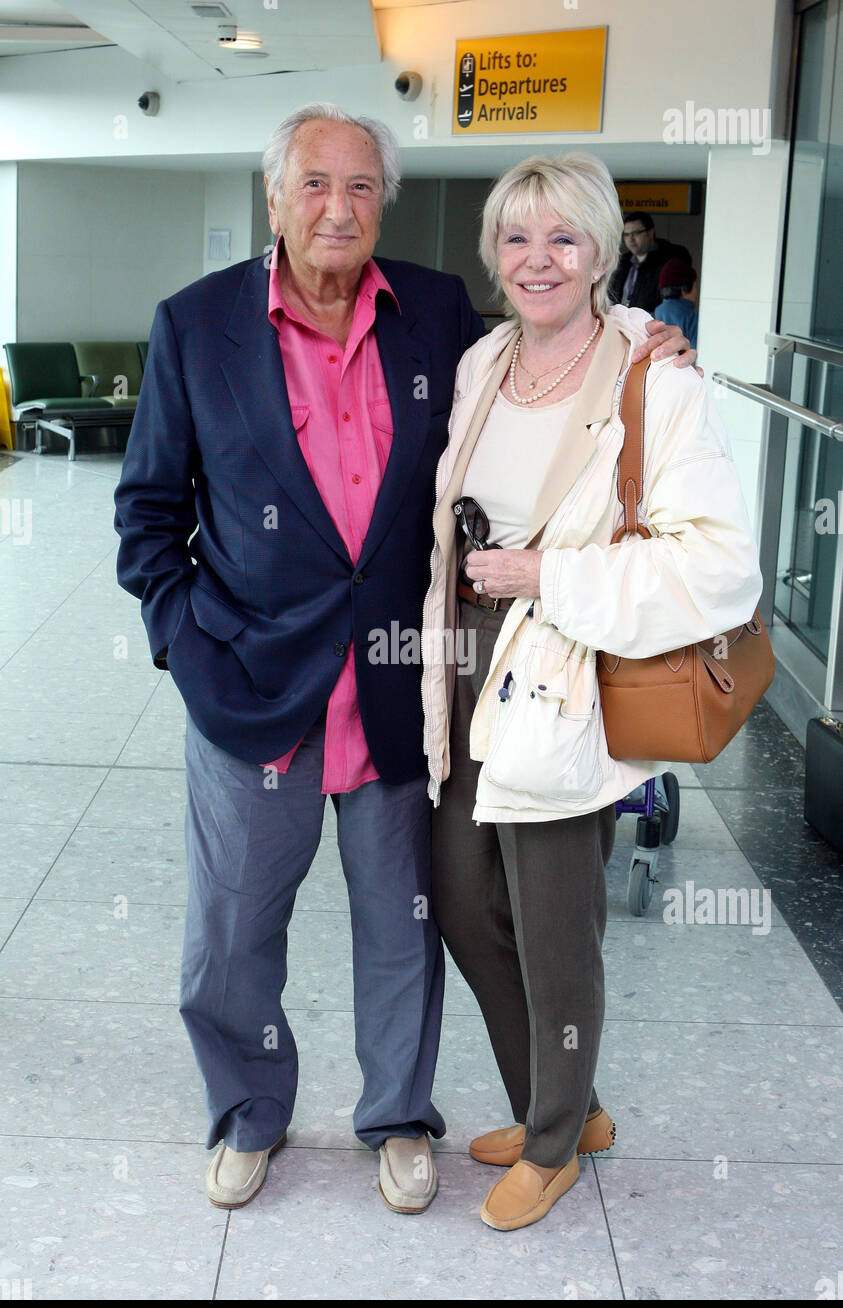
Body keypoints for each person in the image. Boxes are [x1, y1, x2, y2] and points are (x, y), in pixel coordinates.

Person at [113, 107, 697, 1218]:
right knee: (231, 938)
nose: (340, 207)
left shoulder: (432, 312)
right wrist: (184, 646)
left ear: (385, 199)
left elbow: (549, 354)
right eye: (316, 184)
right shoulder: (195, 327)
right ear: (273, 196)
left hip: (399, 689)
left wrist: (648, 342)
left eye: (364, 187)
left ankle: (395, 1114)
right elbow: (147, 516)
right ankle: (248, 1110)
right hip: (251, 693)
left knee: (404, 926)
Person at [421, 152, 762, 1232]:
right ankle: (564, 1103)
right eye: (517, 238)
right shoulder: (482, 364)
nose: (538, 260)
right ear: (494, 255)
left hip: (566, 665)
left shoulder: (655, 379)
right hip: (469, 656)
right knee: (467, 902)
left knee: (556, 922)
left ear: (605, 252)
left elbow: (719, 566)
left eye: (564, 238)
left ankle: (556, 1137)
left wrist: (550, 577)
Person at [608, 210, 691, 314]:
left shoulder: (668, 260)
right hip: (620, 322)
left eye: (636, 233)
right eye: (626, 234)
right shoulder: (622, 261)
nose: (631, 239)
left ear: (650, 233)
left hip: (650, 323)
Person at [654, 257, 699, 349]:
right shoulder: (693, 319)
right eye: (695, 286)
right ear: (684, 290)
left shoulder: (654, 314)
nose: (697, 292)